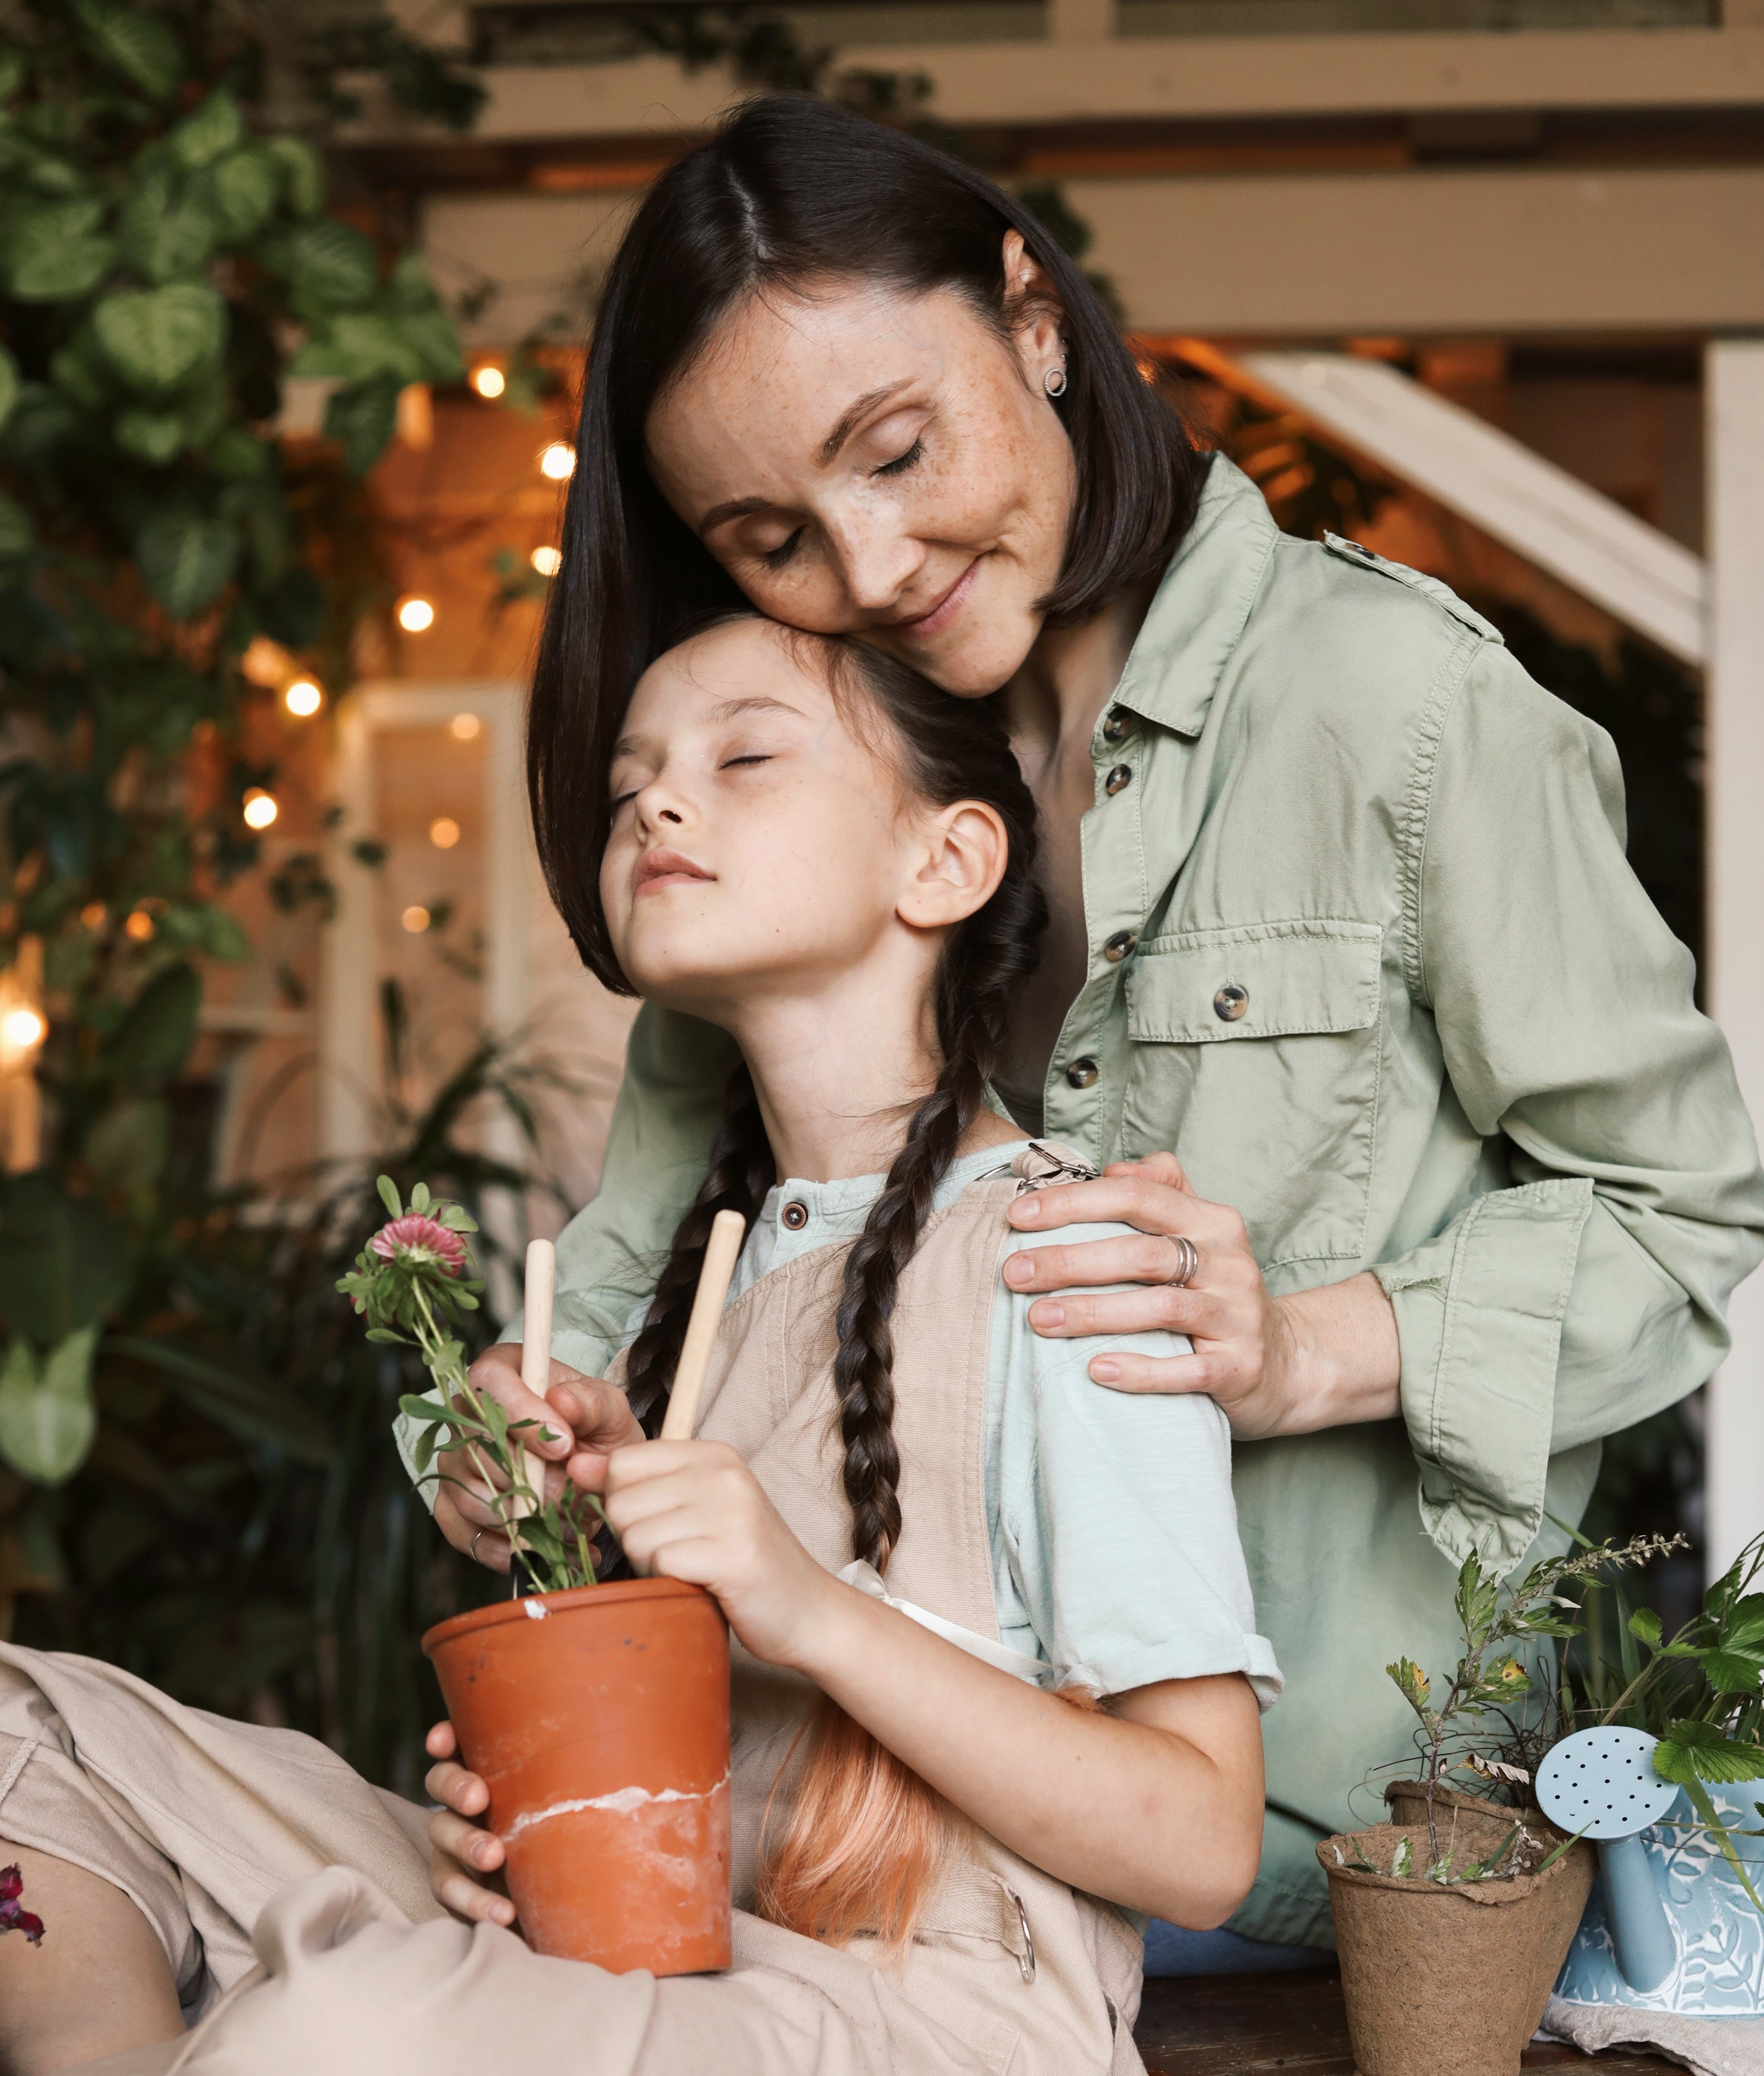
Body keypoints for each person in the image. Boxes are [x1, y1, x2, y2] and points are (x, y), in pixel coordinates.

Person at [427, 94, 1764, 1962]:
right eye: (771, 537)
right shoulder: (793, 799)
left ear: (1034, 315)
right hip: (823, 1835)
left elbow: (1690, 1212)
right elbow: (634, 1300)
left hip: (1287, 1856)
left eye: (898, 448)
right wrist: (509, 1445)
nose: (873, 563)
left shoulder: (1397, 708)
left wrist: (1299, 1347)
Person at [0, 618, 1271, 2076]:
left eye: (740, 758)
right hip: (617, 1984)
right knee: (23, 1727)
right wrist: (502, 1810)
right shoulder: (697, 1281)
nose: (656, 803)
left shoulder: (1076, 1257)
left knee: (351, 2050)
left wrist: (809, 1610)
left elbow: (1202, 1844)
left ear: (947, 854)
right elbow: (631, 1793)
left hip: (894, 2052)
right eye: (628, 787)